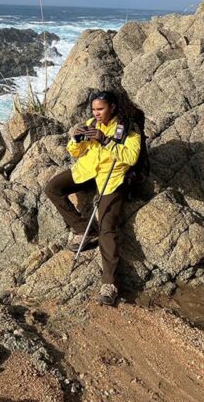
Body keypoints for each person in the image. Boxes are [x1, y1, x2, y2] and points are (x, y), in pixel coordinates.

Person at [44, 91, 141, 306]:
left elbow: (131, 157)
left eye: (100, 109)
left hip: (112, 178)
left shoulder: (127, 129)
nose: (96, 113)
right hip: (88, 172)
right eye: (94, 109)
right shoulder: (91, 123)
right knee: (52, 188)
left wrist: (105, 140)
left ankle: (110, 283)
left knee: (108, 226)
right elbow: (76, 152)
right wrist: (77, 139)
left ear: (113, 107)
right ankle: (83, 229)